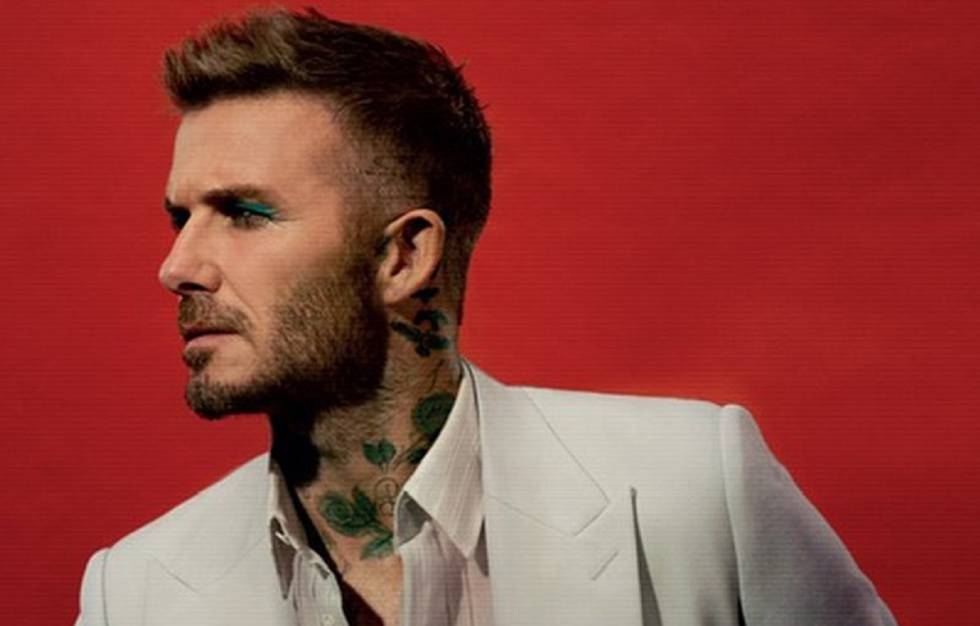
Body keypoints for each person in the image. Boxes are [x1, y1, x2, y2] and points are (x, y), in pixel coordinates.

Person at [74, 8, 897, 626]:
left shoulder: (691, 492)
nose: (177, 266)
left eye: (244, 213)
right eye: (181, 217)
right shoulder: (134, 593)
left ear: (404, 256)